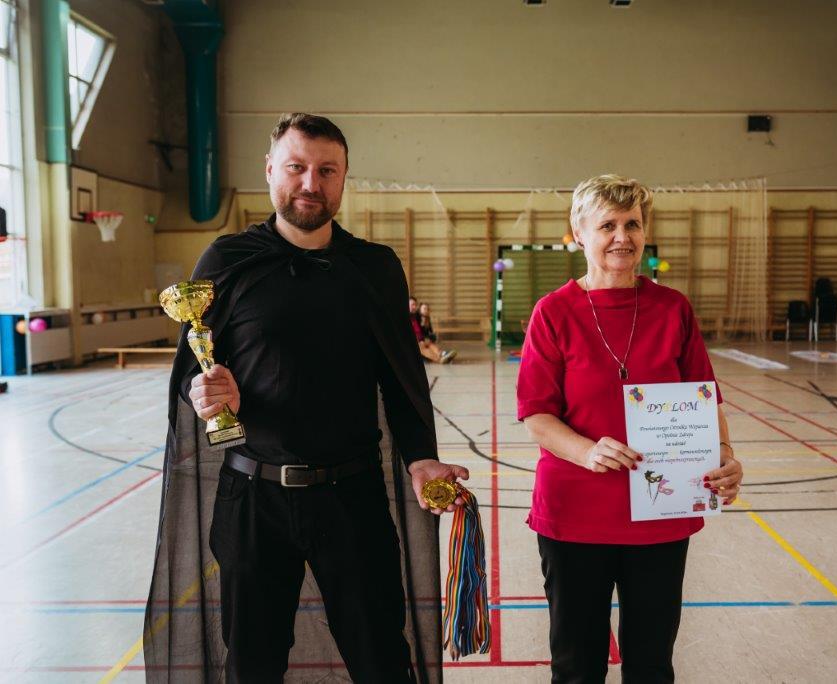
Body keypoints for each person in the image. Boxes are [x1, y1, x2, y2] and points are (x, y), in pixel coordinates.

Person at [144, 113, 470, 683]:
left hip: (353, 498)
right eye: (296, 167)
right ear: (270, 170)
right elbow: (191, 372)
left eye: (327, 170)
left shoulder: (374, 268)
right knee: (252, 664)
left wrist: (420, 458)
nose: (310, 183)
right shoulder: (226, 261)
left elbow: (402, 379)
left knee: (382, 661)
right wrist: (207, 394)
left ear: (344, 178)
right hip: (252, 498)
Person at [517, 175, 743, 683]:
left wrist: (725, 455)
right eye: (608, 226)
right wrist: (586, 451)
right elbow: (537, 415)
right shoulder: (553, 312)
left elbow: (705, 400)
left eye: (633, 224)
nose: (622, 237)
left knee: (651, 665)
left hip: (661, 514)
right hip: (575, 516)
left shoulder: (673, 308)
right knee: (577, 667)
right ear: (579, 233)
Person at [410, 296, 456, 364]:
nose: (414, 307)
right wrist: (419, 340)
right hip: (415, 342)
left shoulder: (415, 317)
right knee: (421, 347)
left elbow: (428, 332)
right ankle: (439, 359)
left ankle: (442, 354)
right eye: (412, 305)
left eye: (415, 305)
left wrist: (426, 339)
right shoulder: (414, 316)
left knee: (430, 344)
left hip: (421, 339)